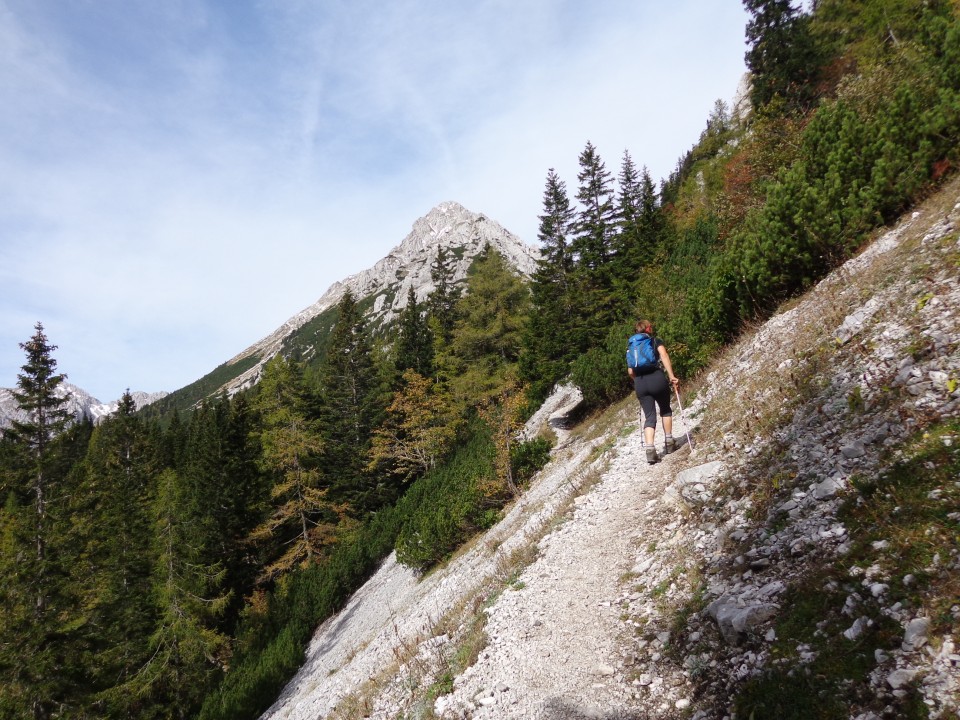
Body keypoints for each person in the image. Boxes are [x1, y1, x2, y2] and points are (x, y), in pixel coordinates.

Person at [626, 319, 680, 464]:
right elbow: (664, 356)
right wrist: (671, 376)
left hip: (640, 383)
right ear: (648, 329)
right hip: (657, 378)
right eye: (651, 326)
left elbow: (630, 371)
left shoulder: (631, 346)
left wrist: (638, 381)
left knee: (649, 416)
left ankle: (650, 450)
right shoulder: (655, 341)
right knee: (665, 410)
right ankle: (669, 442)